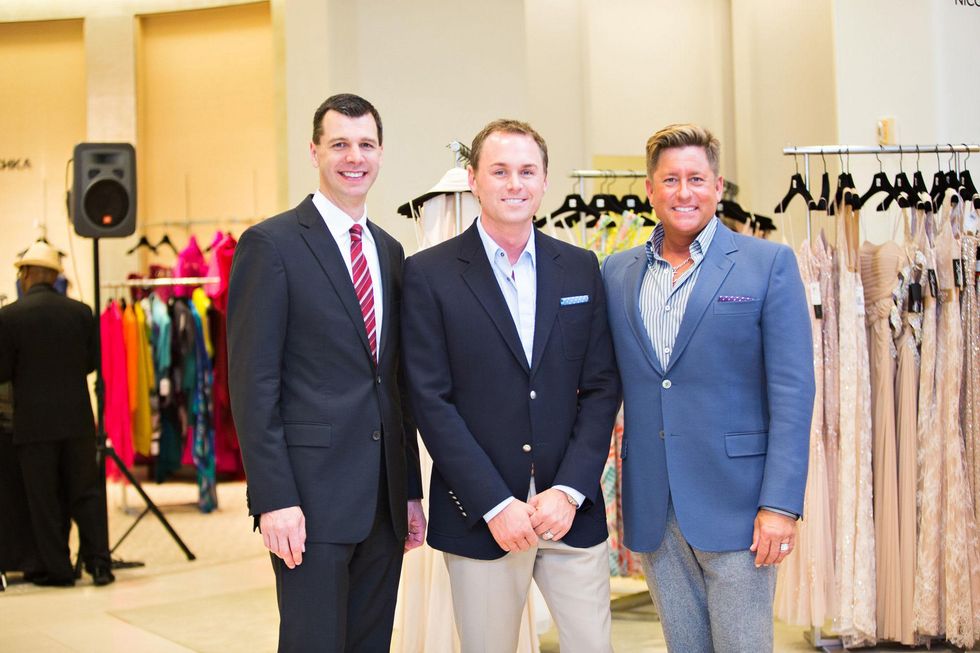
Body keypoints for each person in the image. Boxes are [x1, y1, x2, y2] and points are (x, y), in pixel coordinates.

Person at [401, 119, 621, 653]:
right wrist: (495, 503)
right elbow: (430, 401)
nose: (514, 184)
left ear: (545, 181)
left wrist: (569, 491)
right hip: (481, 514)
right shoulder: (428, 274)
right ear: (473, 179)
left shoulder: (579, 267)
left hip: (570, 510)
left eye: (527, 171)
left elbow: (600, 387)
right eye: (499, 171)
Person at [602, 123, 815, 652]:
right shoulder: (616, 272)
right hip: (655, 500)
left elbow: (793, 391)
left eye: (696, 178)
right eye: (670, 179)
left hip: (740, 503)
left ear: (719, 187)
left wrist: (781, 505)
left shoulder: (768, 265)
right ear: (649, 189)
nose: (683, 192)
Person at [227, 93, 425, 652]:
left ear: (381, 153)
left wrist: (409, 490)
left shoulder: (388, 250)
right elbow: (252, 385)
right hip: (307, 502)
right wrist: (273, 498)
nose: (353, 157)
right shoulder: (271, 245)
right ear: (314, 150)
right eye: (339, 144)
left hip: (382, 504)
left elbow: (395, 385)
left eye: (365, 145)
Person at [0, 240, 114, 587]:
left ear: (28, 275)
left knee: (44, 500)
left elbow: (2, 371)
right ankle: (99, 565)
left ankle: (59, 569)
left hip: (34, 425)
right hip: (78, 419)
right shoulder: (80, 312)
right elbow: (92, 364)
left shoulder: (9, 317)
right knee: (87, 494)